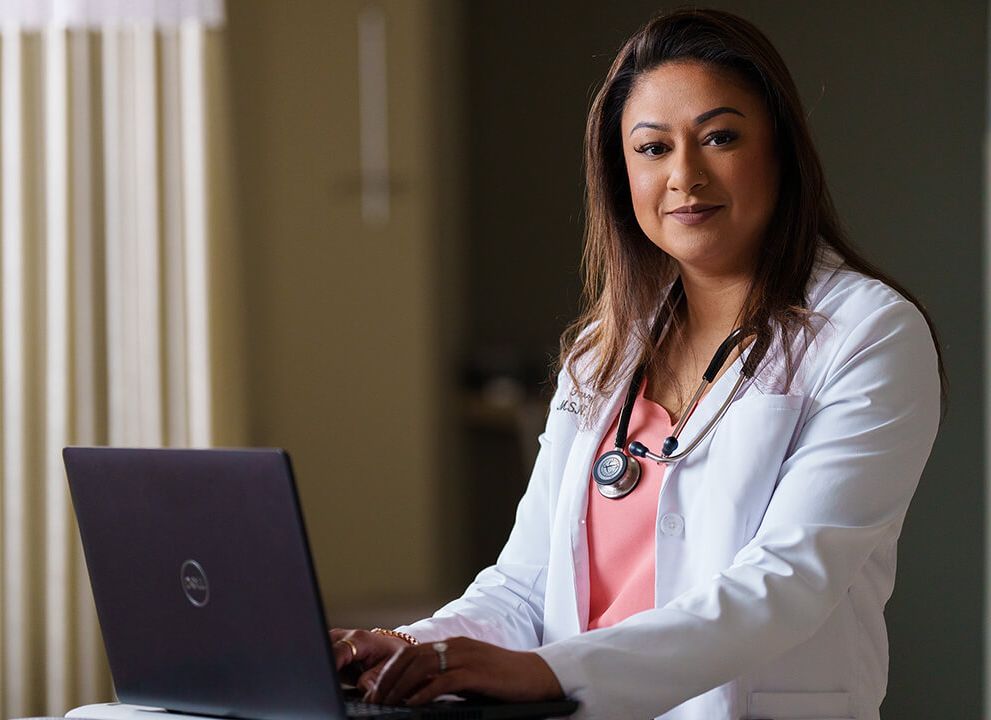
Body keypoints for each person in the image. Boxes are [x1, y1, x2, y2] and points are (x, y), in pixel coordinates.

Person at [330, 8, 943, 720]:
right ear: (621, 173)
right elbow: (525, 587)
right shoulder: (604, 351)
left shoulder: (869, 335)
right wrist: (411, 646)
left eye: (719, 137)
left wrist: (550, 672)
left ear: (780, 150)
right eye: (652, 148)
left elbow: (785, 583)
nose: (685, 174)